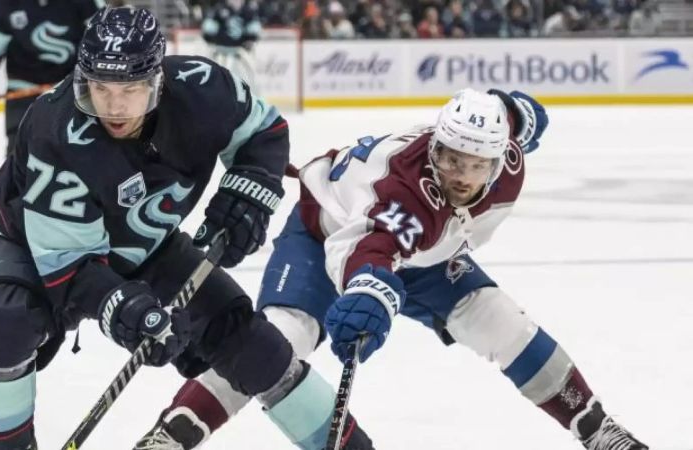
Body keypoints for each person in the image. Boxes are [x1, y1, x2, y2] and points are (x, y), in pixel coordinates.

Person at [137, 89, 650, 450]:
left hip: (425, 255)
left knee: (501, 321)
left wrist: (518, 109)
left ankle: (595, 428)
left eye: (474, 165)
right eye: (448, 158)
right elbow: (372, 250)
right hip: (325, 235)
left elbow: (510, 112)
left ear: (500, 161)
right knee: (277, 342)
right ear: (434, 146)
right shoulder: (409, 190)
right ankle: (176, 432)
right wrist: (368, 296)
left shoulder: (507, 157)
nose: (458, 174)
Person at [0, 6, 306, 450]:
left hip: (149, 246)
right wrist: (122, 308)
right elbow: (72, 268)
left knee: (257, 347)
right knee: (0, 325)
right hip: (35, 245)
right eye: (100, 89)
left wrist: (251, 192)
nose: (114, 105)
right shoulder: (55, 130)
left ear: (156, 81)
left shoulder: (202, 88)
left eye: (130, 89)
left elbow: (263, 132)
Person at [0, 0, 105, 152]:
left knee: (81, 156)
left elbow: (103, 44)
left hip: (71, 94)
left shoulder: (86, 2)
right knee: (19, 155)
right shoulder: (7, 4)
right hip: (22, 95)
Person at [201, 0, 262, 90]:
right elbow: (207, 29)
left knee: (251, 77)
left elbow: (255, 31)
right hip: (221, 51)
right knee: (217, 77)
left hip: (240, 51)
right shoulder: (219, 9)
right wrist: (213, 38)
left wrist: (251, 39)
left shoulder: (248, 11)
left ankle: (255, 99)